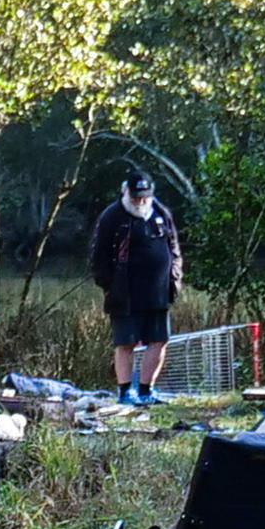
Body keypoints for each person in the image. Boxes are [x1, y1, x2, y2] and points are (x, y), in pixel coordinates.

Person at [87, 173, 185, 406]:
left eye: (144, 197)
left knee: (159, 340)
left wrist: (175, 279)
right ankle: (125, 392)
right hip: (125, 293)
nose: (140, 202)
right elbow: (98, 256)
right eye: (135, 197)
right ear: (125, 192)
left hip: (159, 292)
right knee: (126, 343)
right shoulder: (112, 216)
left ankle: (146, 390)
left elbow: (174, 249)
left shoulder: (162, 213)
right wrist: (108, 284)